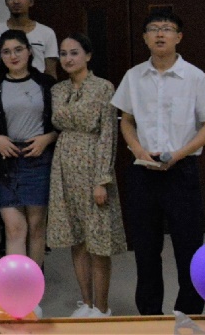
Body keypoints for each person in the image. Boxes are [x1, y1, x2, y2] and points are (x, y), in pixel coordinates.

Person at [112, 11, 205, 316]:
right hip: (143, 172)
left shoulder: (195, 76)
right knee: (146, 249)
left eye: (167, 29)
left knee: (189, 247)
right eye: (153, 29)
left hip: (181, 171)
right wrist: (138, 150)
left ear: (179, 37)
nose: (160, 34)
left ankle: (188, 313)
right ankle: (150, 314)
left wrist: (179, 154)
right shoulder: (134, 76)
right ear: (145, 37)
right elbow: (126, 120)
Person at [48, 34, 125, 319]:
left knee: (98, 240)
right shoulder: (58, 89)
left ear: (88, 56)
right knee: (76, 236)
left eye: (74, 53)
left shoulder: (104, 87)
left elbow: (108, 134)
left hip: (93, 162)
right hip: (64, 163)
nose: (68, 59)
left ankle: (102, 307)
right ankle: (86, 302)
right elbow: (58, 122)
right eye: (63, 53)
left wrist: (102, 179)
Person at [0, 29, 57, 317]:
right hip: (7, 161)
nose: (13, 56)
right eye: (6, 52)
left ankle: (34, 291)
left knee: (36, 227)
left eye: (18, 49)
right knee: (14, 228)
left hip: (38, 157)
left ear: (29, 51)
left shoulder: (47, 84)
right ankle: (17, 292)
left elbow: (60, 124)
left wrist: (47, 139)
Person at [0, 0, 58, 78]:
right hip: (5, 83)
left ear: (31, 2)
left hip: (38, 84)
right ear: (6, 2)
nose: (16, 1)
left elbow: (51, 72)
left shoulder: (47, 33)